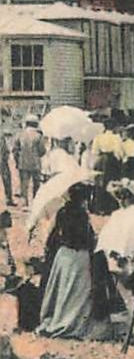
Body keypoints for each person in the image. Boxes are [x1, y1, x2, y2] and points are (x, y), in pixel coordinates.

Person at [36, 185, 98, 339]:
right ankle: (71, 321)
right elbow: (86, 239)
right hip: (78, 256)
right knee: (78, 292)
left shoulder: (62, 212)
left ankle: (58, 317)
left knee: (62, 289)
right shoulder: (82, 215)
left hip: (63, 256)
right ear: (83, 199)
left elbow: (53, 237)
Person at [14, 120, 45, 202]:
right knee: (36, 184)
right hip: (35, 163)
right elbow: (42, 150)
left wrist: (17, 161)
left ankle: (24, 203)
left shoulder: (20, 134)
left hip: (23, 163)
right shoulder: (39, 136)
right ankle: (36, 202)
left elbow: (15, 150)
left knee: (24, 184)